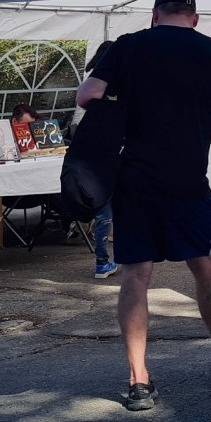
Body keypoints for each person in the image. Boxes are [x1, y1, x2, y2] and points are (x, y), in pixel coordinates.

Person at [77, 0, 211, 411]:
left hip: (134, 177)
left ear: (155, 15)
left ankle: (139, 381)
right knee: (205, 267)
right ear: (194, 18)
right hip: (188, 179)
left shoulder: (128, 46)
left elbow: (87, 96)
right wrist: (191, 120)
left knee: (135, 276)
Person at [73, 41, 119, 280]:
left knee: (104, 209)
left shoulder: (91, 84)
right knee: (115, 207)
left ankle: (102, 261)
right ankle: (113, 258)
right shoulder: (114, 86)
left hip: (91, 152)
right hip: (112, 151)